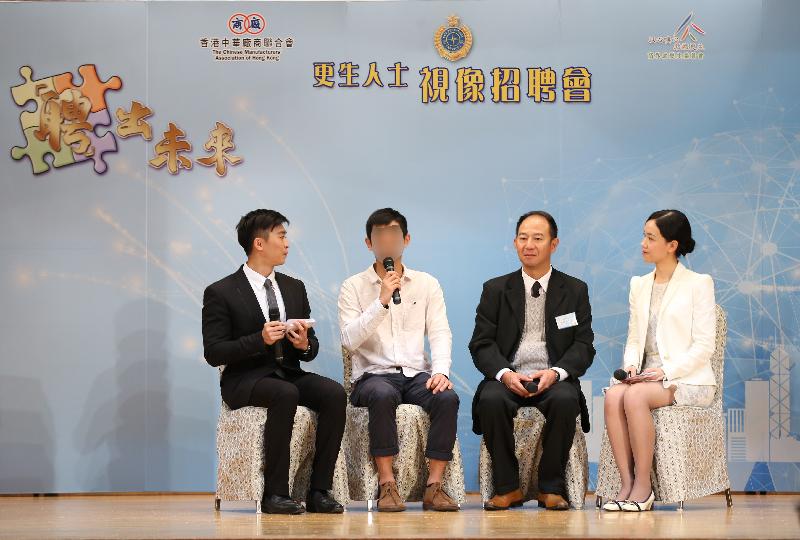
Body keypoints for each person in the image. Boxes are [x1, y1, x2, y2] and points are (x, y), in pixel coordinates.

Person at [202, 209, 346, 515]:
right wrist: (259, 339)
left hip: (288, 372)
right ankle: (275, 494)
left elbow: (312, 347)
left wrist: (305, 344)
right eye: (281, 236)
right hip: (244, 379)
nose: (287, 243)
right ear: (259, 243)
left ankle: (319, 490)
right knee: (285, 394)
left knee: (334, 394)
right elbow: (213, 352)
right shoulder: (221, 292)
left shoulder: (294, 287)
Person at [470, 210, 594, 511]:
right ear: (514, 243)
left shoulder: (575, 290)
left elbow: (583, 345)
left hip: (552, 377)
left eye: (538, 238)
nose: (529, 244)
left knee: (566, 400)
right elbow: (482, 343)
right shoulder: (496, 289)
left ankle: (550, 488)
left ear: (554, 243)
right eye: (523, 238)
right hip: (510, 375)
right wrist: (504, 373)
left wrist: (557, 372)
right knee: (490, 400)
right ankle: (507, 487)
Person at [338, 208, 460, 512]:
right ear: (369, 243)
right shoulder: (352, 286)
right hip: (372, 376)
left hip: (416, 374)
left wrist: (442, 371)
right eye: (380, 237)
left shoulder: (427, 283)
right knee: (382, 394)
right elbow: (349, 340)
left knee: (447, 397)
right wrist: (381, 301)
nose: (387, 243)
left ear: (406, 239)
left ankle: (434, 486)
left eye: (394, 235)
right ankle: (387, 485)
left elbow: (440, 331)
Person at [602, 209, 716, 512]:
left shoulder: (698, 283)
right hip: (646, 376)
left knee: (635, 395)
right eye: (644, 235)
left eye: (651, 238)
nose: (643, 243)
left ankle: (644, 486)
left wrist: (665, 371)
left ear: (672, 245)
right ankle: (626, 484)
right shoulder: (638, 284)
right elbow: (635, 338)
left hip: (686, 378)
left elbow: (705, 346)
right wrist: (631, 366)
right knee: (614, 395)